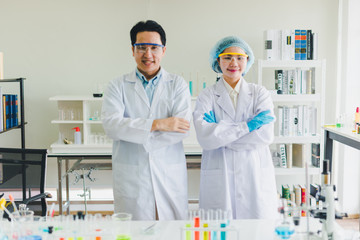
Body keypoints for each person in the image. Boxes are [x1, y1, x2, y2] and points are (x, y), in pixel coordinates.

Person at [102, 20, 192, 220]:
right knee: (134, 231)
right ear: (132, 50)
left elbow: (182, 128)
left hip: (169, 175)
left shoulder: (177, 84)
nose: (148, 54)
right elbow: (112, 126)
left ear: (164, 50)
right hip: (133, 177)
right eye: (141, 47)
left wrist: (134, 131)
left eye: (154, 47)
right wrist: (157, 124)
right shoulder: (117, 86)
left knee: (171, 231)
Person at [193, 36, 278, 219]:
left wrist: (221, 134)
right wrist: (248, 126)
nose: (234, 63)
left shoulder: (259, 93)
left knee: (256, 230)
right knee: (220, 231)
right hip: (219, 176)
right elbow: (205, 138)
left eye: (240, 57)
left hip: (254, 173)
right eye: (227, 57)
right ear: (218, 60)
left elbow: (265, 136)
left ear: (247, 61)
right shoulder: (207, 96)